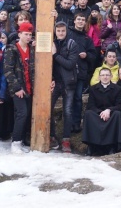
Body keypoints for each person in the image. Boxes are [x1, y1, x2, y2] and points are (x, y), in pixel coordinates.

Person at [3, 21, 36, 154]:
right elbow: (8, 70)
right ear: (20, 34)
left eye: (30, 35)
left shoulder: (32, 49)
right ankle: (15, 142)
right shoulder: (12, 49)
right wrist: (16, 88)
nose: (28, 37)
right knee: (21, 113)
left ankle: (21, 140)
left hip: (29, 87)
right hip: (18, 88)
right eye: (26, 34)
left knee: (26, 114)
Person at [83, 68, 121, 156]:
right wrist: (102, 112)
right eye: (103, 75)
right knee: (88, 114)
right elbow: (91, 105)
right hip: (98, 114)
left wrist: (109, 110)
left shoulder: (117, 88)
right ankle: (91, 146)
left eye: (107, 75)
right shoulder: (93, 89)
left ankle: (111, 146)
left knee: (117, 114)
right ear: (99, 77)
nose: (105, 77)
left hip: (111, 115)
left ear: (111, 76)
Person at [50, 21, 79, 153]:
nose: (61, 33)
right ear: (55, 32)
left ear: (66, 31)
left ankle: (66, 140)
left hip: (68, 82)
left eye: (63, 31)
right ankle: (52, 137)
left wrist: (55, 55)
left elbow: (70, 64)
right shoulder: (53, 43)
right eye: (58, 31)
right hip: (55, 82)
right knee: (48, 108)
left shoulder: (71, 44)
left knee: (67, 111)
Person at [67, 12, 98, 132]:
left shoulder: (87, 38)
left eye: (82, 20)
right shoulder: (68, 34)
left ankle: (76, 123)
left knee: (78, 98)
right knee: (68, 99)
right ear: (74, 21)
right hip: (68, 71)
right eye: (78, 19)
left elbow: (93, 56)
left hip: (81, 72)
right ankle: (67, 124)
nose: (80, 21)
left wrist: (86, 55)